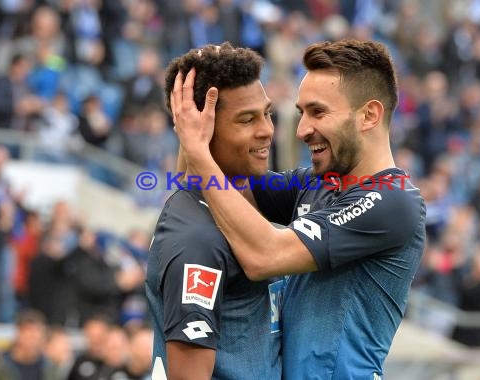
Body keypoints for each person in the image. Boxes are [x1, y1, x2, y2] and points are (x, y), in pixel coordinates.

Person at [173, 39, 427, 379]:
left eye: (318, 112)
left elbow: (265, 256)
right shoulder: (314, 183)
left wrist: (199, 153)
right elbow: (202, 186)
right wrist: (205, 103)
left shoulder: (394, 201)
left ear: (369, 115)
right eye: (301, 112)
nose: (302, 129)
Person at [145, 43, 282, 379]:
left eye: (267, 113)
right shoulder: (196, 241)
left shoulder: (238, 197)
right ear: (203, 132)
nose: (267, 130)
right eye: (247, 119)